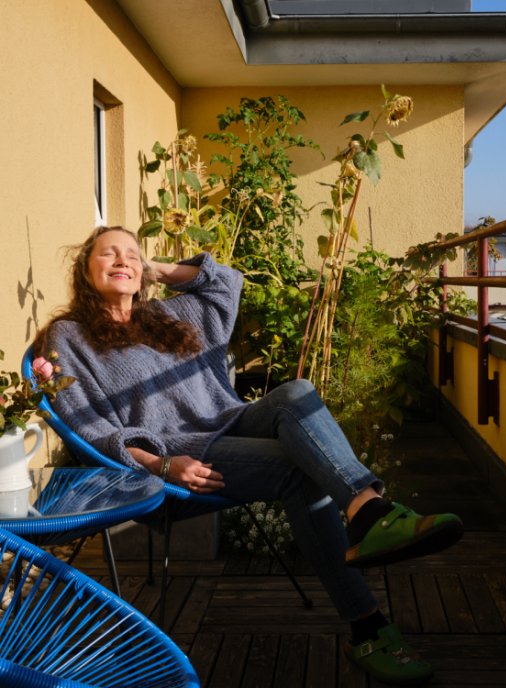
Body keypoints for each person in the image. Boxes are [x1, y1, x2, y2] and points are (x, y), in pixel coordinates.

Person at [36, 225, 463, 685]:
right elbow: (89, 427)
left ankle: (366, 508)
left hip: (228, 419)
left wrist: (154, 267)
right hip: (180, 455)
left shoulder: (163, 315)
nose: (122, 261)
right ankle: (368, 624)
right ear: (85, 269)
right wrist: (161, 464)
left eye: (131, 255)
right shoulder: (69, 337)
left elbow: (225, 282)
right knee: (297, 472)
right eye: (108, 254)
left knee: (295, 392)